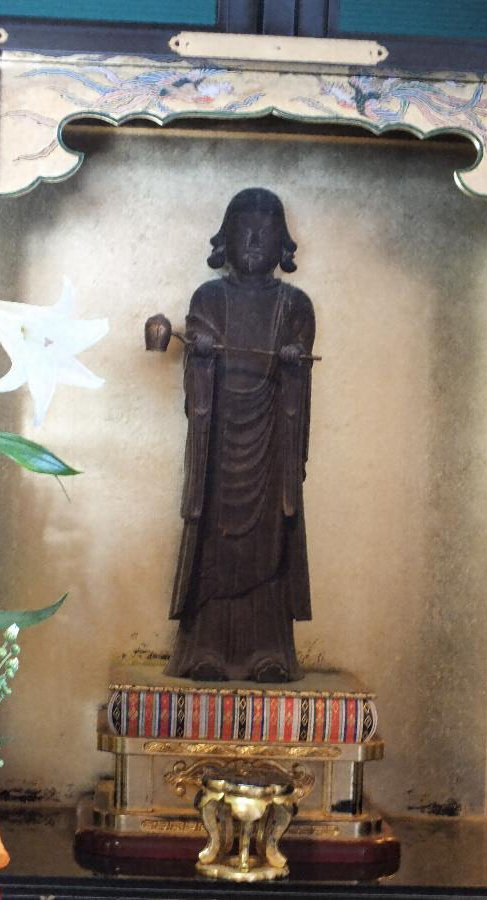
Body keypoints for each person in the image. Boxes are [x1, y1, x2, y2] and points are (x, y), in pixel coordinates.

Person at [164, 188, 315, 682]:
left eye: (264, 234)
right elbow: (195, 371)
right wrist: (202, 354)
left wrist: (292, 363)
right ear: (225, 241)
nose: (253, 243)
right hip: (219, 443)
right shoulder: (209, 298)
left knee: (269, 541)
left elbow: (300, 365)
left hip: (271, 442)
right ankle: (205, 649)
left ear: (282, 244)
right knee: (216, 541)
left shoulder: (294, 305)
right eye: (243, 232)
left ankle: (269, 652)